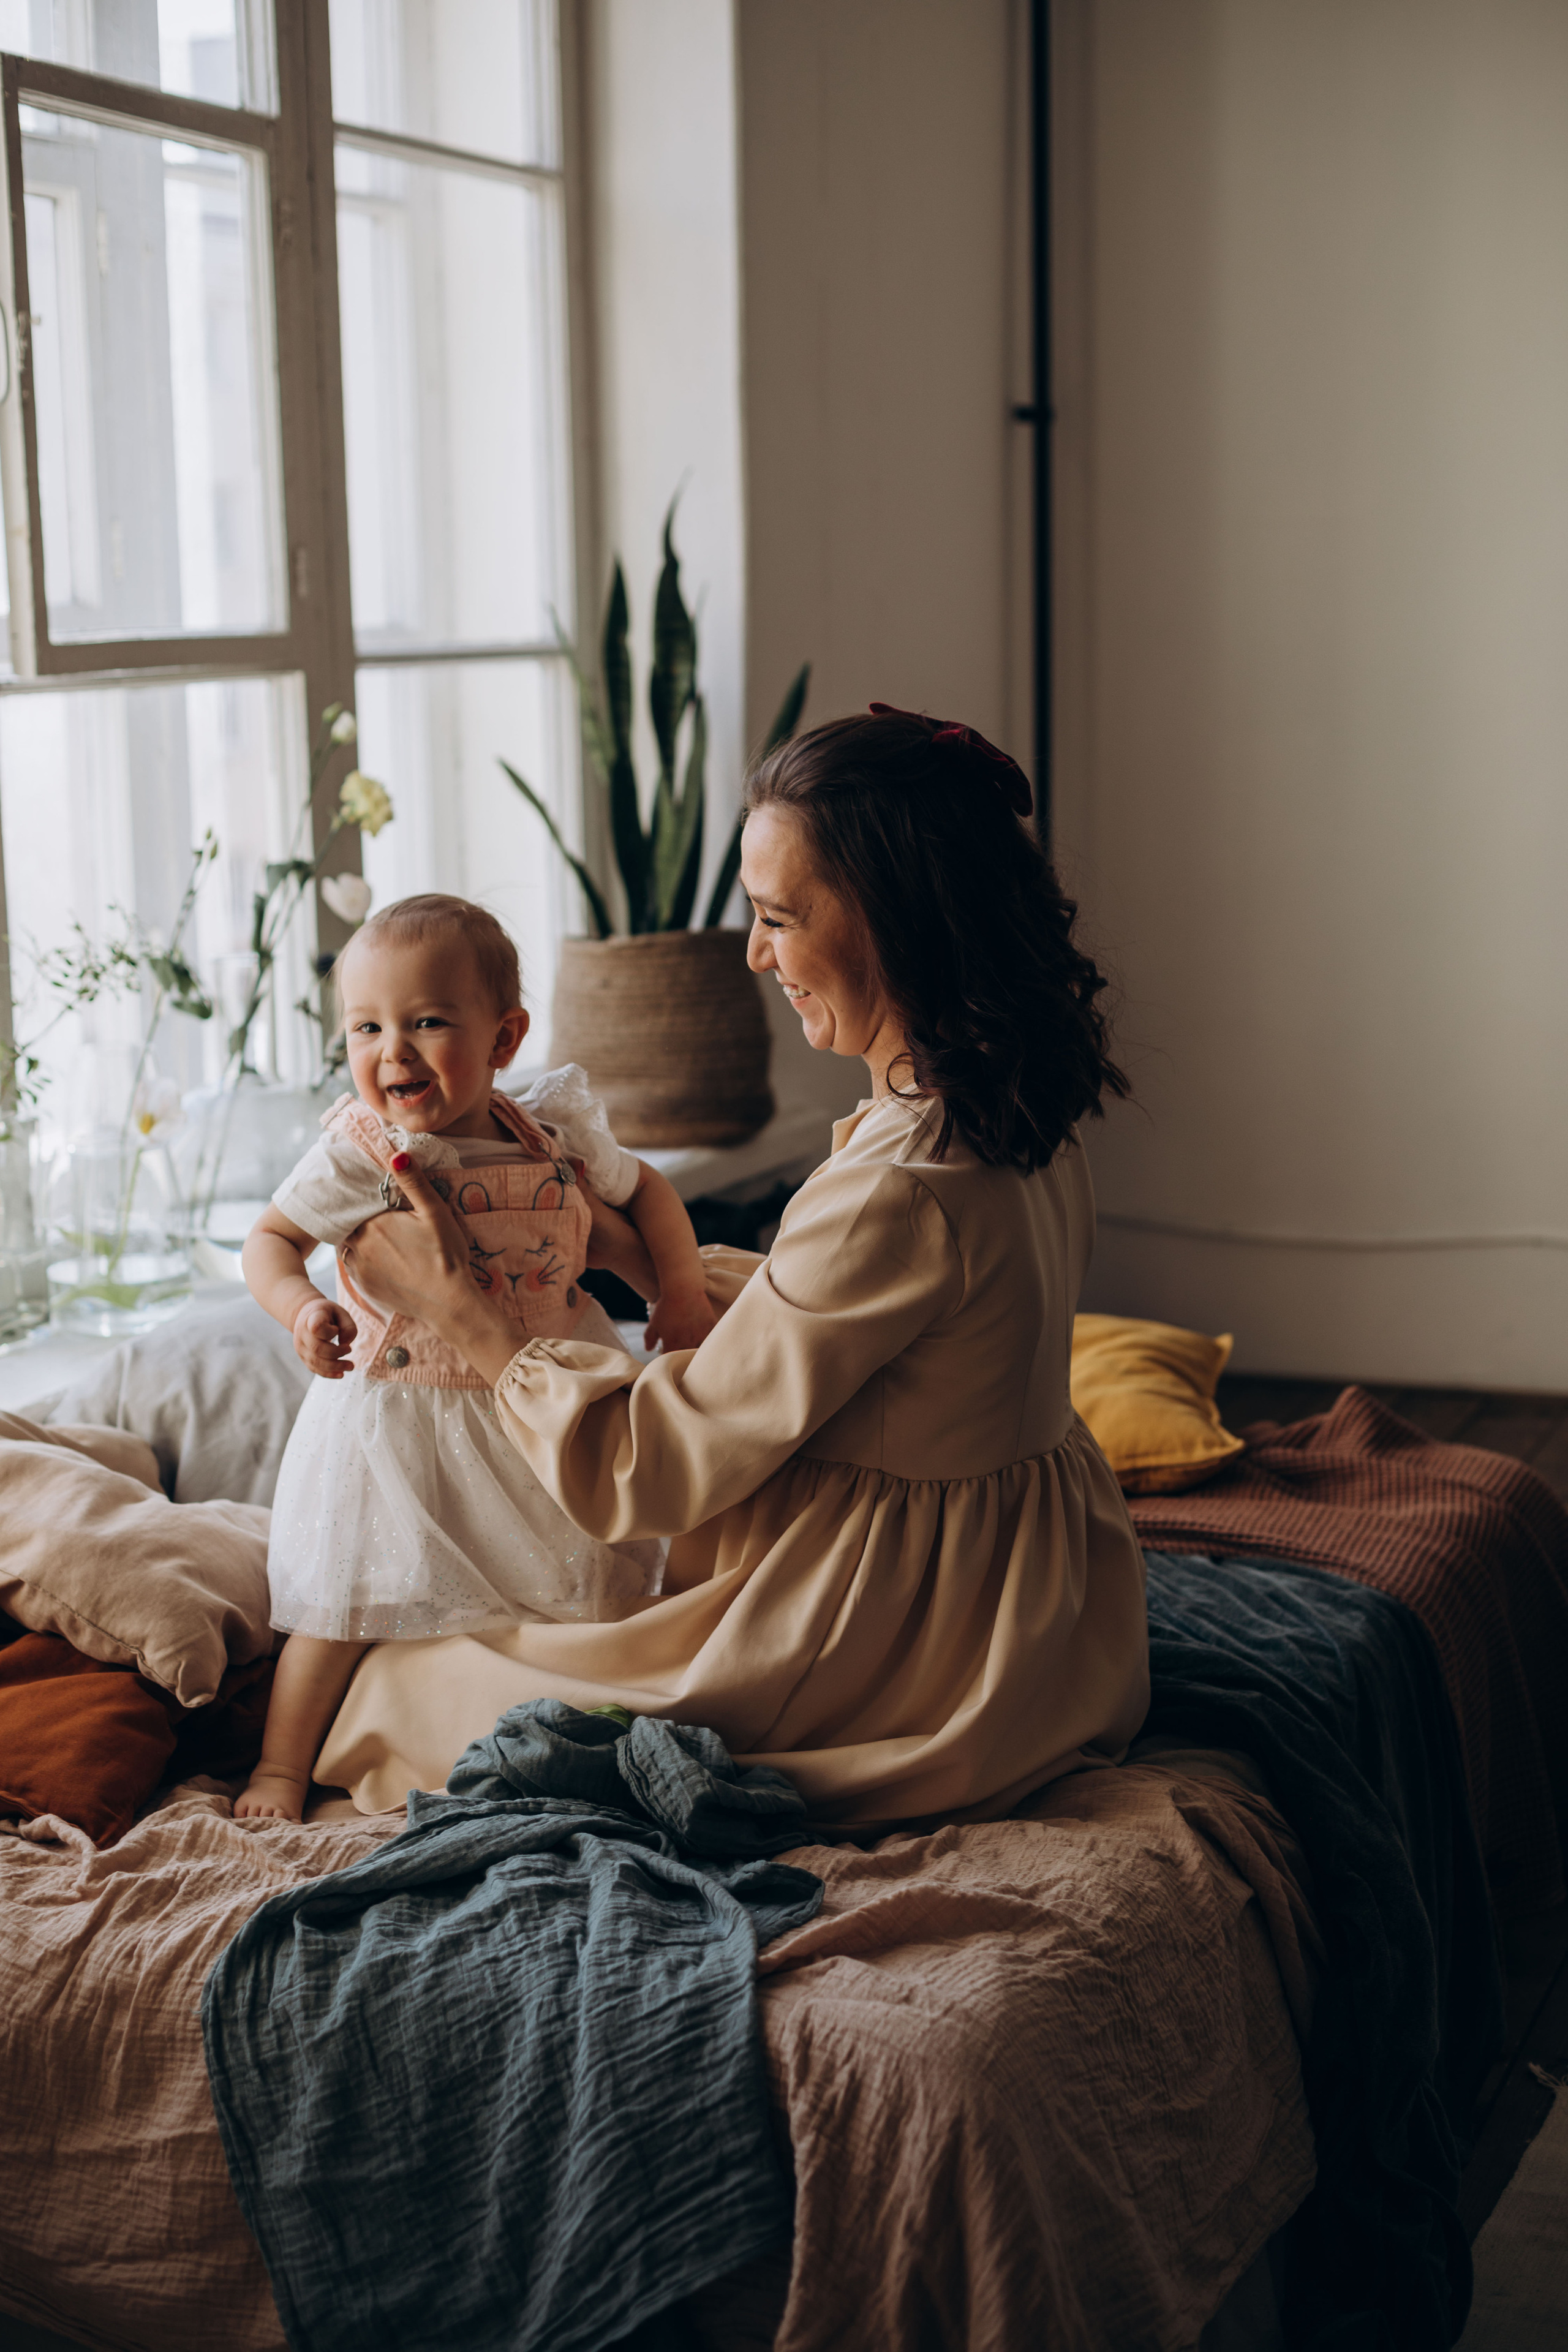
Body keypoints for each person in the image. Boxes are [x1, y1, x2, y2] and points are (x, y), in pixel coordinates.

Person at [311, 710, 1152, 1826]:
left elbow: (645, 1471)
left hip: (908, 1639)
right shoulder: (1005, 1103)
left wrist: (471, 1317)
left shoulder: (900, 1185)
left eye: (777, 919)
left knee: (398, 1684)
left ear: (894, 921)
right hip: (1043, 1607)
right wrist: (635, 1258)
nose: (756, 955)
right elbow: (853, 1319)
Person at [235, 892, 715, 1822]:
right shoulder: (361, 1152)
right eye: (366, 1027)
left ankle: (587, 1731)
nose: (393, 1052)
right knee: (341, 1605)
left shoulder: (552, 1132)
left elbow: (649, 1190)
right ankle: (279, 1770)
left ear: (505, 1037)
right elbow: (270, 1239)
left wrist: (682, 1289)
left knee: (583, 1582)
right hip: (399, 1418)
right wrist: (300, 1309)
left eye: (427, 1022)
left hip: (545, 1406)